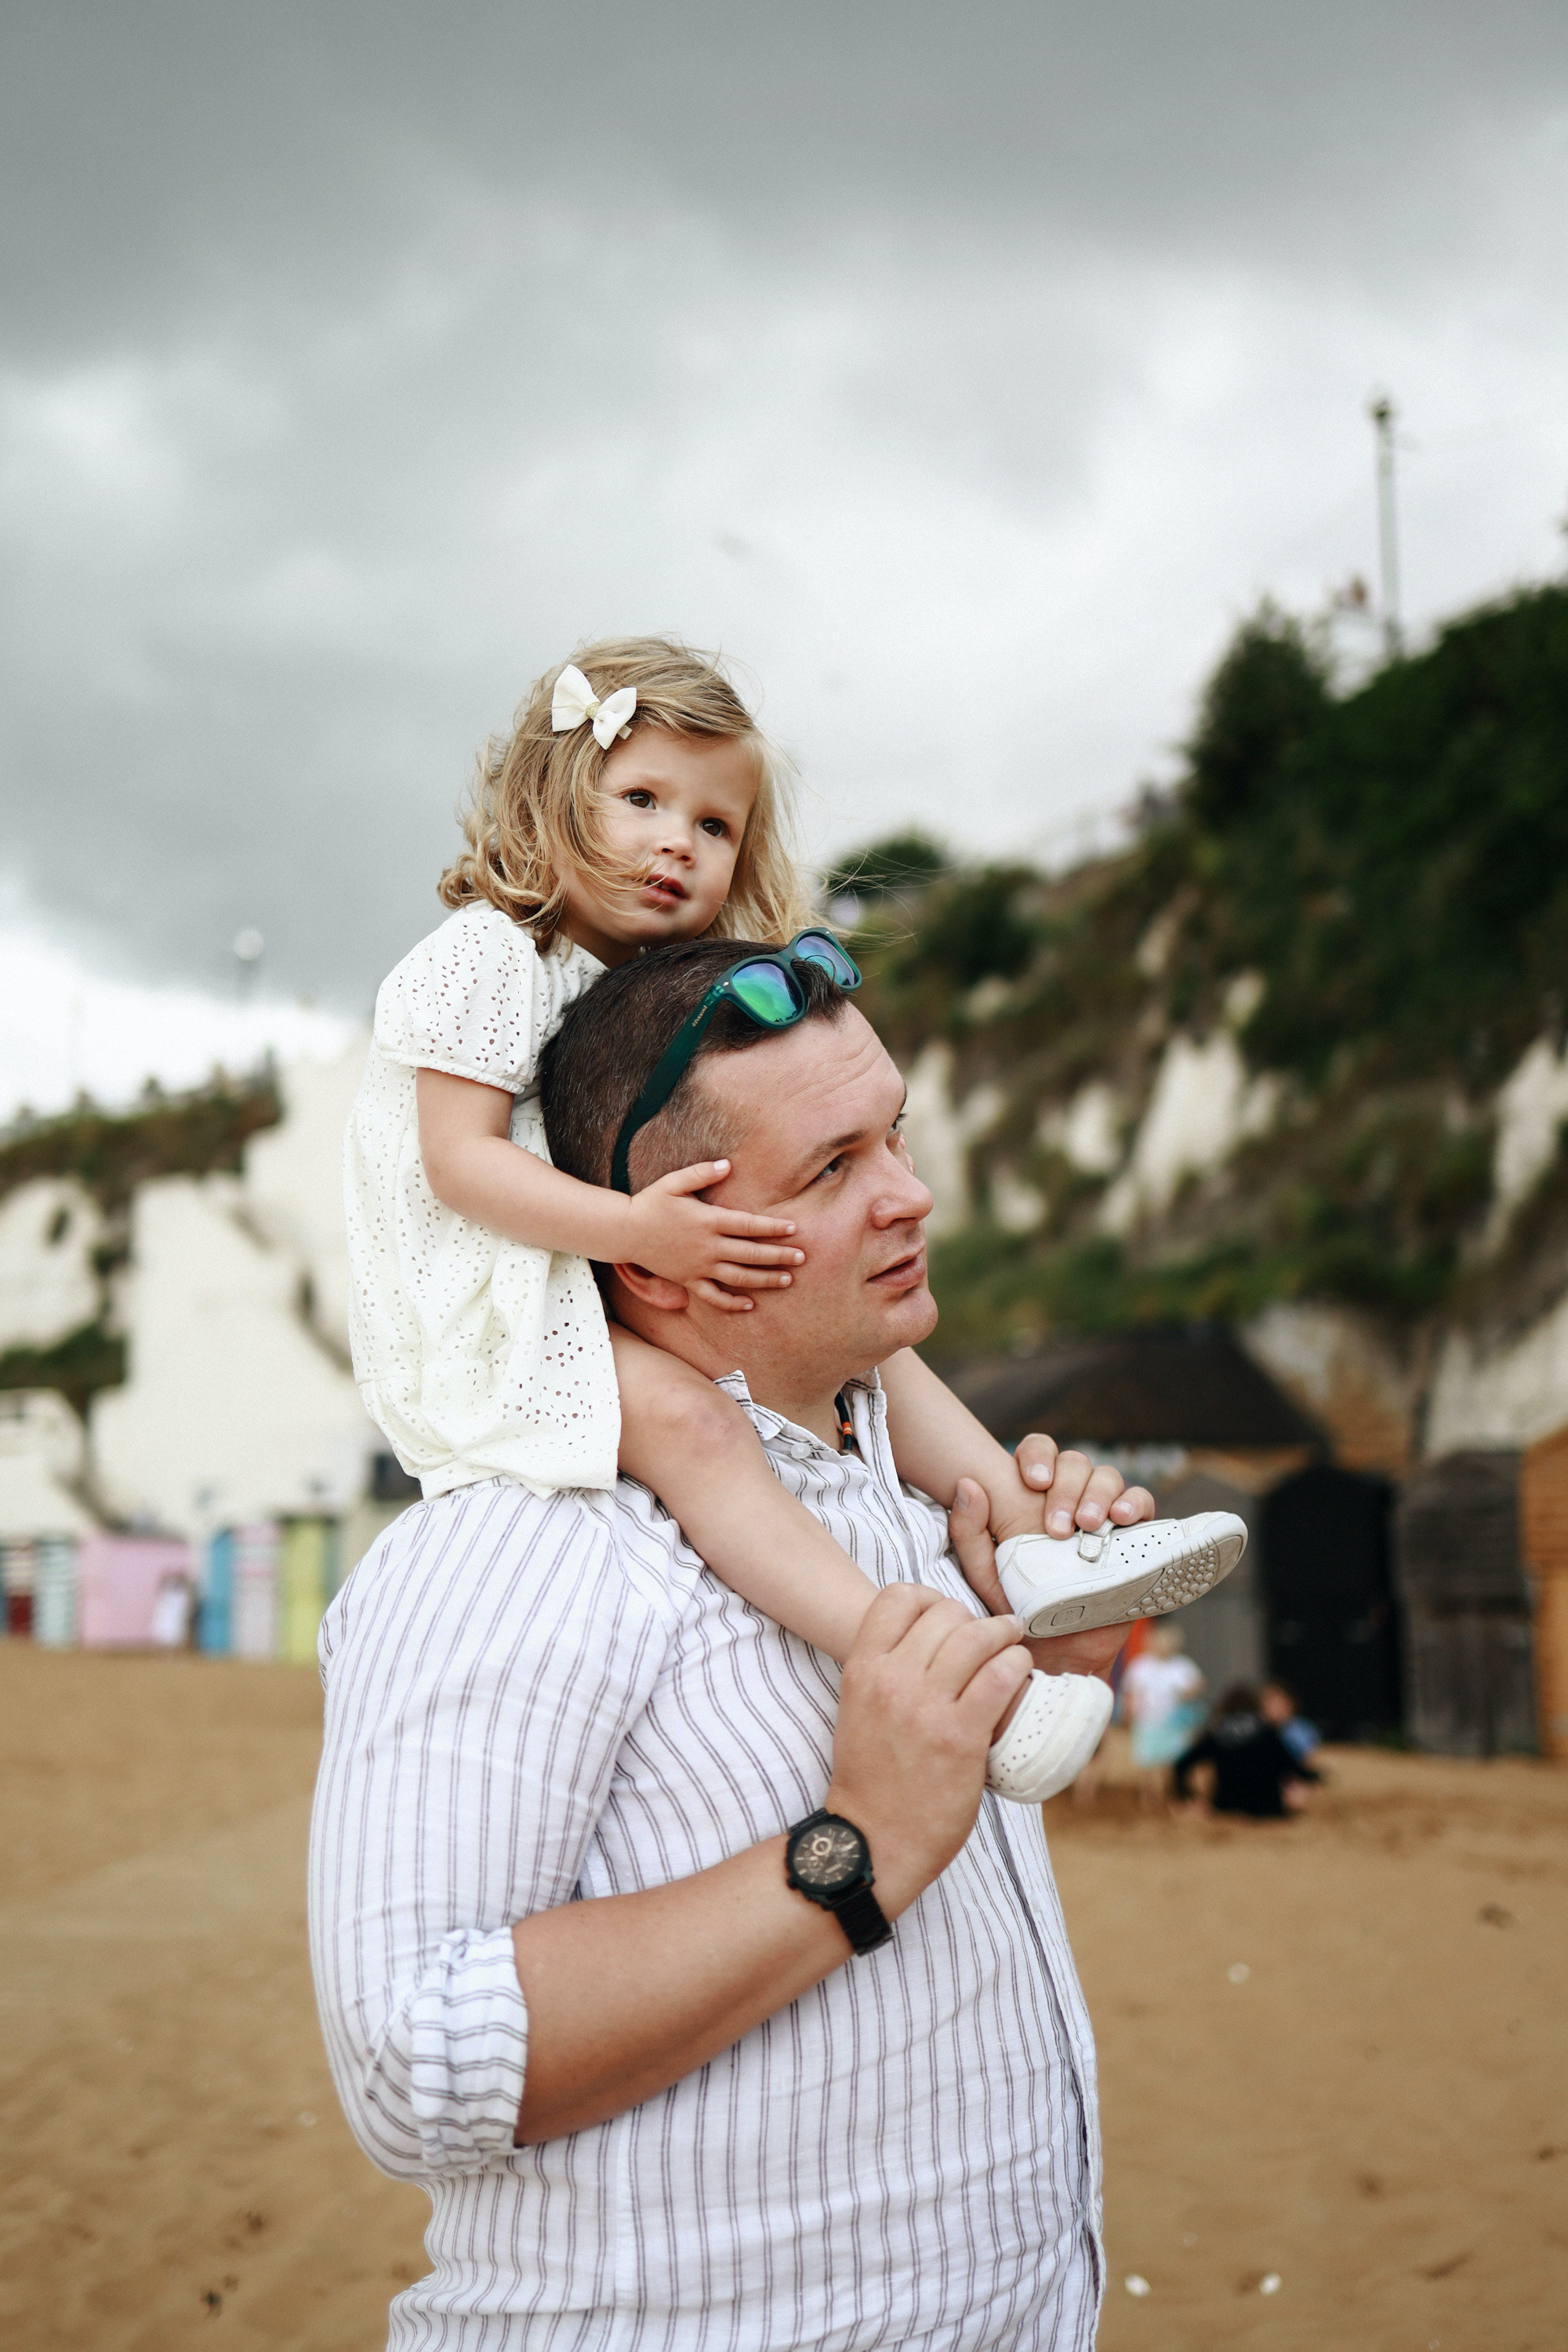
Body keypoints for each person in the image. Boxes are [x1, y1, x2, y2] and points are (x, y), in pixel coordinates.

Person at [312, 940, 1159, 2347]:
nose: (911, 1195)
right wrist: (851, 1850)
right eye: (831, 1172)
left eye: (894, 1135)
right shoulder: (519, 1547)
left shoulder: (906, 1498)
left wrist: (1046, 1657)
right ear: (652, 1250)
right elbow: (410, 2065)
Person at [343, 635, 1242, 1802]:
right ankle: (908, 1651)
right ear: (555, 799)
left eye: (715, 826)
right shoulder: (488, 959)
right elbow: (458, 1168)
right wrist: (643, 1238)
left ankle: (1032, 1538)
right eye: (641, 800)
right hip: (485, 1304)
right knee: (694, 1429)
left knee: (873, 1347)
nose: (678, 840)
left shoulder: (633, 981)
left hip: (586, 1254)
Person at [1173, 1683, 1323, 1819]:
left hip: (1226, 1808)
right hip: (1268, 1811)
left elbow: (1181, 1765)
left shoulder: (1218, 1735)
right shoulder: (1268, 1732)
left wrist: (1188, 1796)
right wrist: (1315, 1777)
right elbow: (1291, 1767)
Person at [1121, 1621, 1205, 1809]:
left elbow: (1197, 1685)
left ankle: (1168, 1797)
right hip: (1147, 1721)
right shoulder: (1140, 1665)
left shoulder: (1182, 1665)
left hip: (1173, 1723)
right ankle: (1149, 1798)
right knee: (1147, 1762)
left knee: (1170, 1762)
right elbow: (1131, 1693)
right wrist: (1129, 1715)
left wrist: (1187, 1695)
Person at [1261, 1678, 1323, 1765]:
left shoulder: (1299, 1730)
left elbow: (1310, 1759)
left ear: (1289, 1703)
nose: (1268, 1708)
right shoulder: (1270, 1731)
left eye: (1274, 1702)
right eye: (1265, 1703)